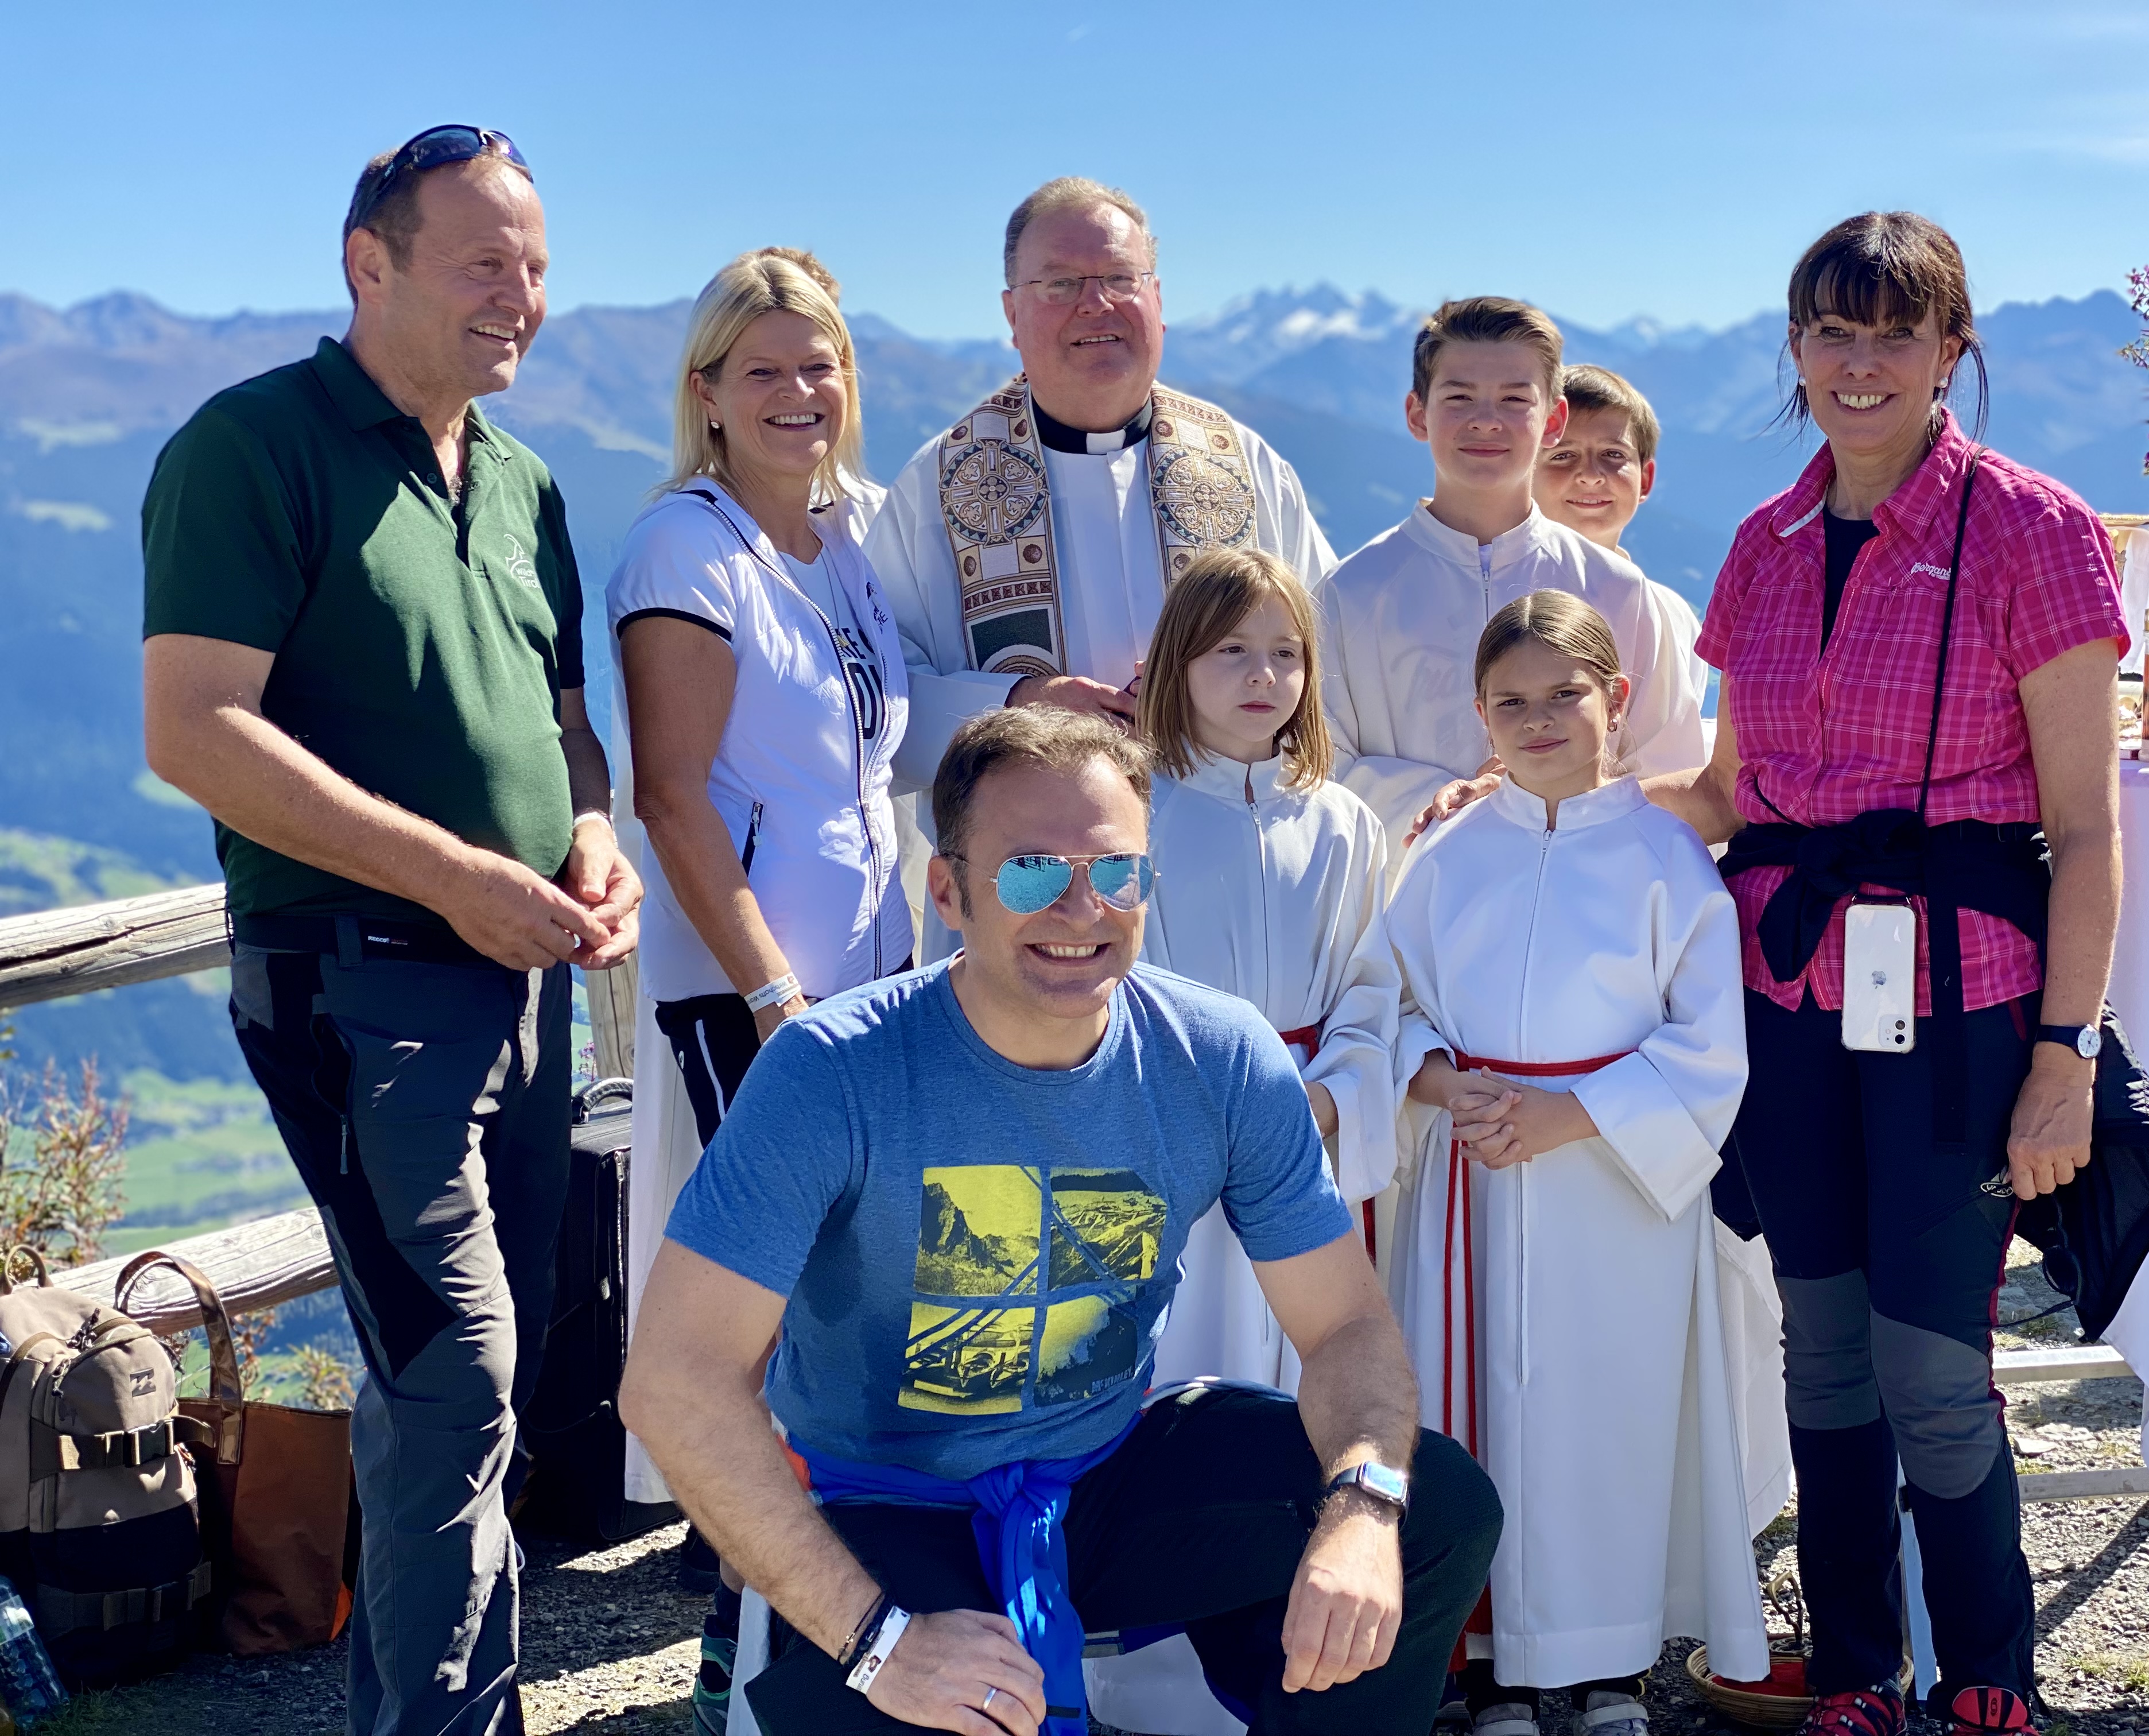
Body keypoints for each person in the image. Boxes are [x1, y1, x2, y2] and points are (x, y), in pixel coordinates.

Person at [619, 706, 1501, 1736]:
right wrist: (882, 1642)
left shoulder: (1219, 1055)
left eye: (1116, 871)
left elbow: (1345, 1324)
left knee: (1432, 1509)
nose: (1083, 907)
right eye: (1032, 872)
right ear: (947, 891)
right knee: (938, 1707)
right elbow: (676, 1379)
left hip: (1097, 1470)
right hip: (884, 1499)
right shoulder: (832, 1072)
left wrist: (1360, 1511)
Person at [140, 126, 641, 1734]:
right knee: (454, 1378)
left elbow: (567, 728)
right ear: (372, 264)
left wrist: (589, 836)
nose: (523, 297)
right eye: (485, 262)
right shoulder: (253, 446)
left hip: (524, 985)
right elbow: (195, 730)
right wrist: (452, 876)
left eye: (537, 267)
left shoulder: (524, 480)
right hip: (360, 990)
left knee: (497, 1382)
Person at [1645, 212, 2129, 1736]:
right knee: (1825, 1355)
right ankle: (1859, 1676)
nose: (1861, 366)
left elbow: (2087, 830)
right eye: (1833, 333)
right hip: (1786, 1001)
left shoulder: (2034, 528)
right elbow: (1725, 794)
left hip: (1966, 999)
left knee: (1932, 1363)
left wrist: (2067, 1054)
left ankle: (1989, 1677)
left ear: (1950, 351)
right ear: (1796, 350)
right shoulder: (1763, 544)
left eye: (1895, 334)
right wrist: (1540, 806)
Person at [607, 246, 914, 1734]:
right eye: (766, 370)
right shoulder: (690, 550)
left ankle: (830, 1634)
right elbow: (672, 799)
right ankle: (748, 1667)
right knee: (770, 1327)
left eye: (820, 365)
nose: (800, 392)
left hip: (871, 985)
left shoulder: (842, 539)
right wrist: (775, 996)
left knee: (845, 1313)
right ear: (709, 392)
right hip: (760, 1001)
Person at [1388, 591, 1769, 1736]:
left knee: (1611, 1416)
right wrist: (1435, 1080)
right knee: (1474, 1417)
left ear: (1619, 696)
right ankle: (1492, 1669)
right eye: (1510, 702)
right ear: (1479, 715)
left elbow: (1710, 1044)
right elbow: (1385, 999)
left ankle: (1610, 1664)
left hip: (1615, 1185)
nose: (1539, 718)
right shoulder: (1444, 856)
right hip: (1473, 1170)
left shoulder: (1668, 857)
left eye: (1565, 693)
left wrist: (1577, 1114)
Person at [1080, 548, 1401, 1736]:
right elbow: (1107, 980)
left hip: (1303, 1144)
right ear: (1177, 663)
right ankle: (1144, 1672)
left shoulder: (1345, 823)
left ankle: (1284, 1648)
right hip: (1172, 1145)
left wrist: (1329, 1096)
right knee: (1175, 1383)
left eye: (1285, 652)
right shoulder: (1139, 812)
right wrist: (1205, 1105)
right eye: (1231, 651)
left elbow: (1374, 989)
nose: (1263, 675)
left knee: (1305, 1382)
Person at [867, 176, 1337, 949]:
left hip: (1226, 885)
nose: (1096, 304)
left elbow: (1327, 653)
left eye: (1120, 278)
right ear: (1011, 313)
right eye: (1061, 283)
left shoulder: (1244, 465)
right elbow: (878, 701)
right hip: (1035, 902)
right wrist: (1019, 702)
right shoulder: (941, 485)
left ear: (1158, 299)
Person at [1321, 299, 1708, 870]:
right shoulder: (1351, 593)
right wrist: (1450, 801)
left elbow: (1667, 767)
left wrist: (1539, 804)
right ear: (1417, 414)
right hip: (1408, 898)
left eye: (1514, 399)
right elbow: (1320, 769)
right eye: (1459, 398)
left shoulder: (1617, 589)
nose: (1486, 421)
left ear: (1553, 420)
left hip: (1586, 897)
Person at [1533, 365, 1705, 695]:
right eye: (1563, 455)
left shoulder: (1673, 616)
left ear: (1646, 480)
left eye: (1613, 455)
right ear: (1524, 476)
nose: (1590, 475)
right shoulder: (1497, 590)